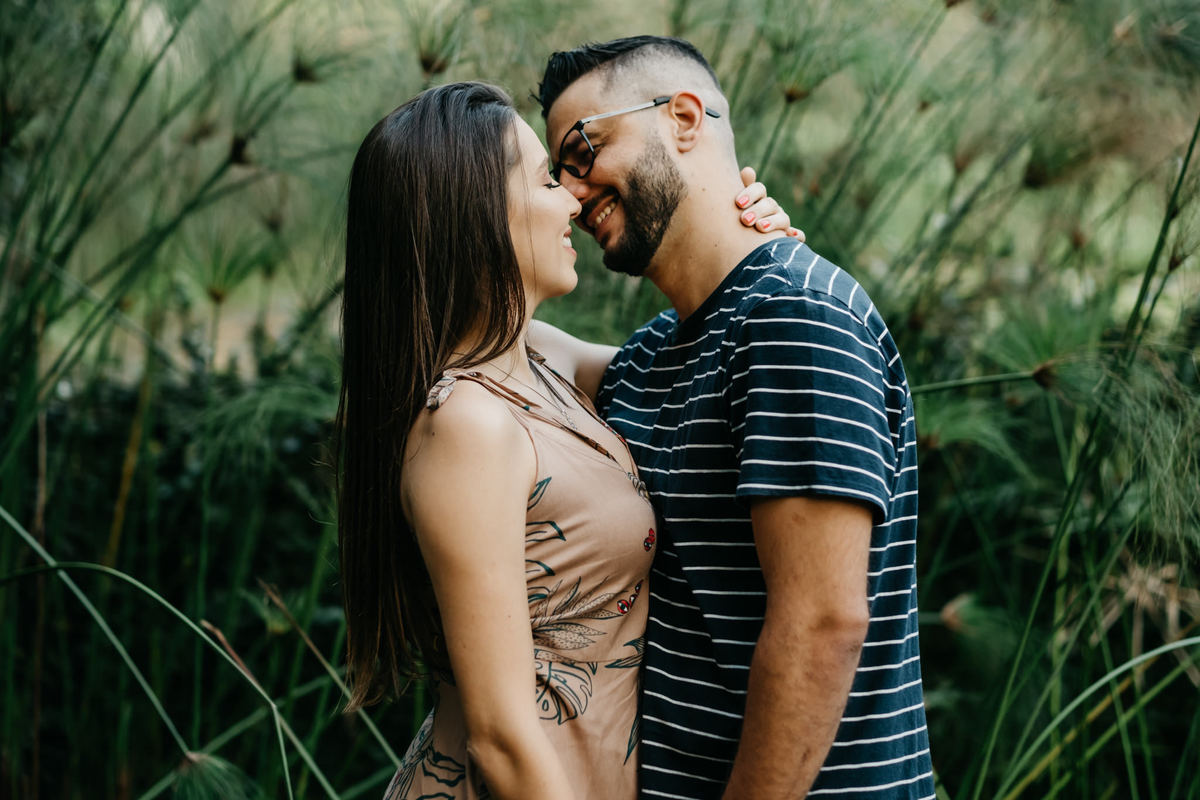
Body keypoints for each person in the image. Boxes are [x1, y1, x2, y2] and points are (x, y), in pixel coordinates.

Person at [335, 81, 794, 799]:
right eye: (549, 179)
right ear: (477, 213)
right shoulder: (466, 426)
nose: (574, 202)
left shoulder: (541, 359)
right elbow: (501, 733)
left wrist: (748, 251)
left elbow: (705, 365)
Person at [531, 36, 936, 799]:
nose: (573, 193)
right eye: (557, 173)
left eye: (584, 149)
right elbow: (505, 349)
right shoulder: (660, 355)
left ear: (685, 118)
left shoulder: (795, 315)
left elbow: (822, 626)